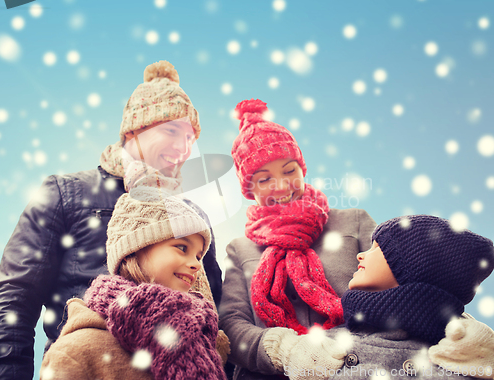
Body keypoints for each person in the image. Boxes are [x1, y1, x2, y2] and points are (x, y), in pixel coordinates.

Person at [0, 60, 222, 380]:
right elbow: (13, 299)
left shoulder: (193, 217)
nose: (183, 147)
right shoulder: (66, 193)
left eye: (189, 137)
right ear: (134, 130)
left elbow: (217, 313)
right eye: (171, 130)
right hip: (88, 366)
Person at [219, 99, 377, 379]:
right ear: (249, 188)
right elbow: (231, 324)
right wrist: (285, 351)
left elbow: (399, 284)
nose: (280, 186)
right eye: (264, 179)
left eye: (289, 171)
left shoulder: (354, 221)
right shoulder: (240, 249)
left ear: (302, 169)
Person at [265, 215, 494, 379]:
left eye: (377, 248)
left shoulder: (459, 358)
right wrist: (289, 351)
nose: (361, 254)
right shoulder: (327, 348)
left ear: (416, 266)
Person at [40, 185, 228, 380]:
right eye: (182, 247)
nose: (196, 265)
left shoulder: (202, 339)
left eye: (198, 256)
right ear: (135, 249)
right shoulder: (76, 351)